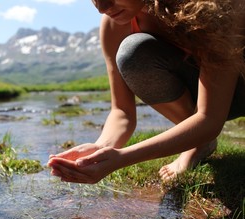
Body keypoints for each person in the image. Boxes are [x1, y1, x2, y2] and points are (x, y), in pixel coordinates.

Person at [47, 0, 245, 184]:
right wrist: (101, 148)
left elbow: (209, 118)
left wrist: (123, 158)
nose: (101, 7)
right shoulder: (114, 25)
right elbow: (122, 113)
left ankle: (197, 140)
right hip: (207, 101)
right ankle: (200, 142)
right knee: (133, 54)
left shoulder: (218, 7)